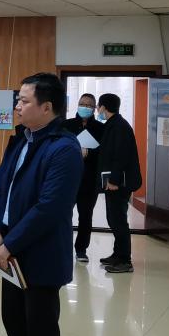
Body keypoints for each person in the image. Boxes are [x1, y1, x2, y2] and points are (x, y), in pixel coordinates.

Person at [0, 73, 82, 336]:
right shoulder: (20, 140)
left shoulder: (64, 148)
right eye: (18, 100)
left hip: (38, 254)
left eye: (24, 101)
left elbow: (50, 207)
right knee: (14, 322)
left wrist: (9, 244)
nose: (17, 106)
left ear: (47, 107)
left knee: (40, 331)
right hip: (8, 251)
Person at [94, 93, 142, 274]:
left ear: (103, 107)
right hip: (115, 181)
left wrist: (114, 180)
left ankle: (125, 261)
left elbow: (120, 156)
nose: (97, 110)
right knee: (113, 218)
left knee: (118, 220)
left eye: (98, 106)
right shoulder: (114, 124)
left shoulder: (119, 127)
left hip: (119, 183)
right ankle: (117, 254)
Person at [63, 93, 104, 262]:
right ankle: (62, 247)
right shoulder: (67, 125)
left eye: (88, 105)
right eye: (82, 104)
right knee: (63, 215)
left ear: (94, 108)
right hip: (68, 179)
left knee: (85, 216)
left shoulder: (100, 128)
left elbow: (104, 153)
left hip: (89, 180)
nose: (85, 107)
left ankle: (81, 249)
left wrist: (90, 152)